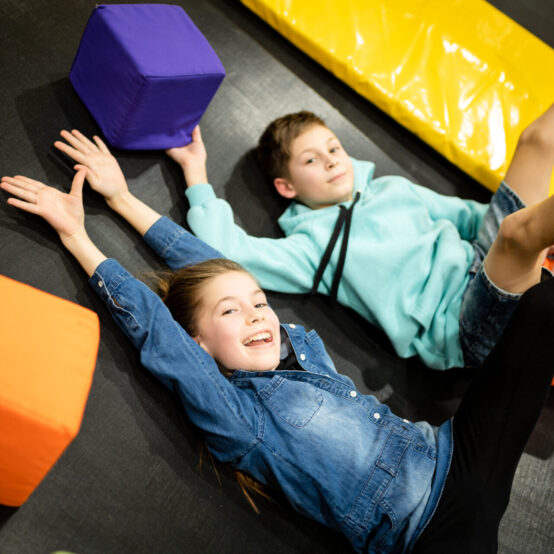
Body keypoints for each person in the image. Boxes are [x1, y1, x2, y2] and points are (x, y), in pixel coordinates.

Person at [1, 131, 553, 553]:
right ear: (199, 344)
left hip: (453, 451)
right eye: (232, 314)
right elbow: (155, 328)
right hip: (433, 529)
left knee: (543, 302)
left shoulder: (290, 348)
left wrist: (120, 198)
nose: (257, 315)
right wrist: (77, 234)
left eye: (259, 303)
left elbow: (214, 269)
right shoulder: (240, 419)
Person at [164, 106, 554, 370]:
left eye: (333, 148)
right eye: (311, 159)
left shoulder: (393, 190)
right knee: (519, 234)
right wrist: (195, 173)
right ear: (286, 186)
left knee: (538, 141)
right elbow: (231, 249)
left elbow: (472, 218)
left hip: (487, 260)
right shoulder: (314, 249)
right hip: (463, 323)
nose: (332, 159)